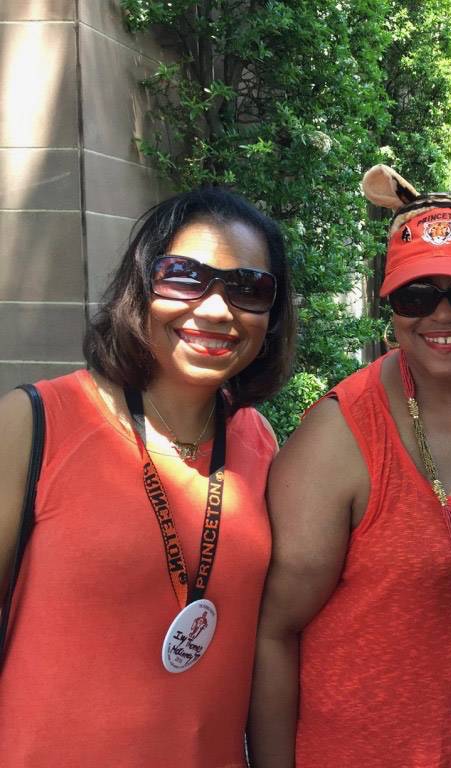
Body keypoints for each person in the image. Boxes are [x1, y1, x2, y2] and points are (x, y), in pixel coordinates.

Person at [248, 165, 451, 768]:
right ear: (390, 301)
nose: (444, 314)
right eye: (418, 294)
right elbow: (275, 633)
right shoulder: (339, 437)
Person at [0, 187, 296, 765]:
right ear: (141, 285)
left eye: (248, 289)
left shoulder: (257, 441)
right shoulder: (33, 424)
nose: (215, 309)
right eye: (184, 276)